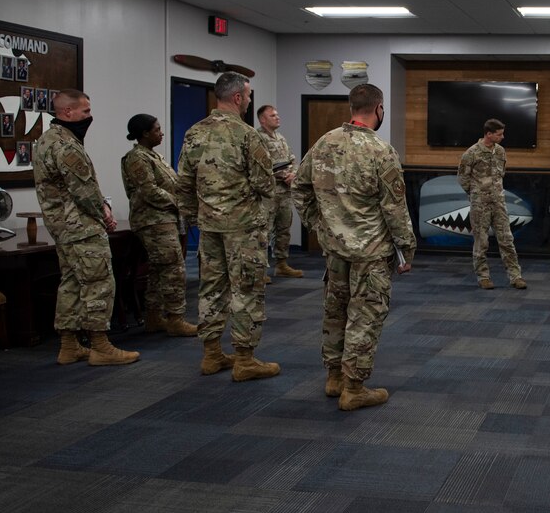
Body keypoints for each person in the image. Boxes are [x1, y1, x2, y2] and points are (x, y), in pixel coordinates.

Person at [293, 83, 416, 411]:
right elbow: (395, 207)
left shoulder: (324, 142)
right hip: (370, 252)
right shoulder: (380, 150)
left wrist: (318, 226)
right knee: (365, 315)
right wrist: (407, 249)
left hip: (334, 249)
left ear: (352, 108)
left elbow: (300, 188)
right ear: (379, 109)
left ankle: (334, 377)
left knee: (335, 311)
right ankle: (354, 387)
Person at [176, 72, 277, 382]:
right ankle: (245, 359)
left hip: (209, 227)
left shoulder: (194, 132)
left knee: (211, 287)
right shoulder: (247, 135)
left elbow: (183, 183)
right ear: (237, 98)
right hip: (243, 228)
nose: (248, 100)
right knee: (246, 289)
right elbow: (264, 183)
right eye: (247, 96)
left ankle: (211, 353)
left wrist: (195, 217)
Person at [34, 89, 139, 366]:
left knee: (70, 283)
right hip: (81, 227)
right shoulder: (66, 146)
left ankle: (69, 346)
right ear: (67, 112)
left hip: (62, 228)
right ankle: (100, 346)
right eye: (85, 112)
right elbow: (85, 192)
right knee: (98, 282)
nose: (89, 117)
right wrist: (104, 213)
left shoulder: (46, 141)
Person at [121, 114, 196, 338]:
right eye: (157, 129)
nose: (161, 133)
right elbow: (149, 191)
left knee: (158, 270)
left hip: (165, 219)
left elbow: (171, 184)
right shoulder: (137, 158)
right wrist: (179, 203)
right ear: (144, 133)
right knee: (174, 269)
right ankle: (175, 318)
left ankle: (154, 317)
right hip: (153, 221)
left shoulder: (154, 156)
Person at [457, 118, 526, 290]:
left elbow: (501, 173)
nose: (502, 137)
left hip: (499, 203)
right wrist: (475, 194)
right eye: (499, 134)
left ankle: (515, 276)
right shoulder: (471, 153)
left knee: (507, 240)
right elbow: (463, 178)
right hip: (480, 205)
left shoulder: (501, 151)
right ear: (489, 134)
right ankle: (483, 277)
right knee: (482, 242)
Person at [256, 105, 303, 280]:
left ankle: (281, 264)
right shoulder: (257, 138)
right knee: (264, 230)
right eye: (273, 115)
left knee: (283, 229)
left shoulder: (281, 138)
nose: (277, 117)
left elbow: (292, 160)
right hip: (268, 192)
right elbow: (261, 165)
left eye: (277, 114)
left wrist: (294, 174)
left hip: (284, 192)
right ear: (263, 119)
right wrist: (284, 174)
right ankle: (260, 270)